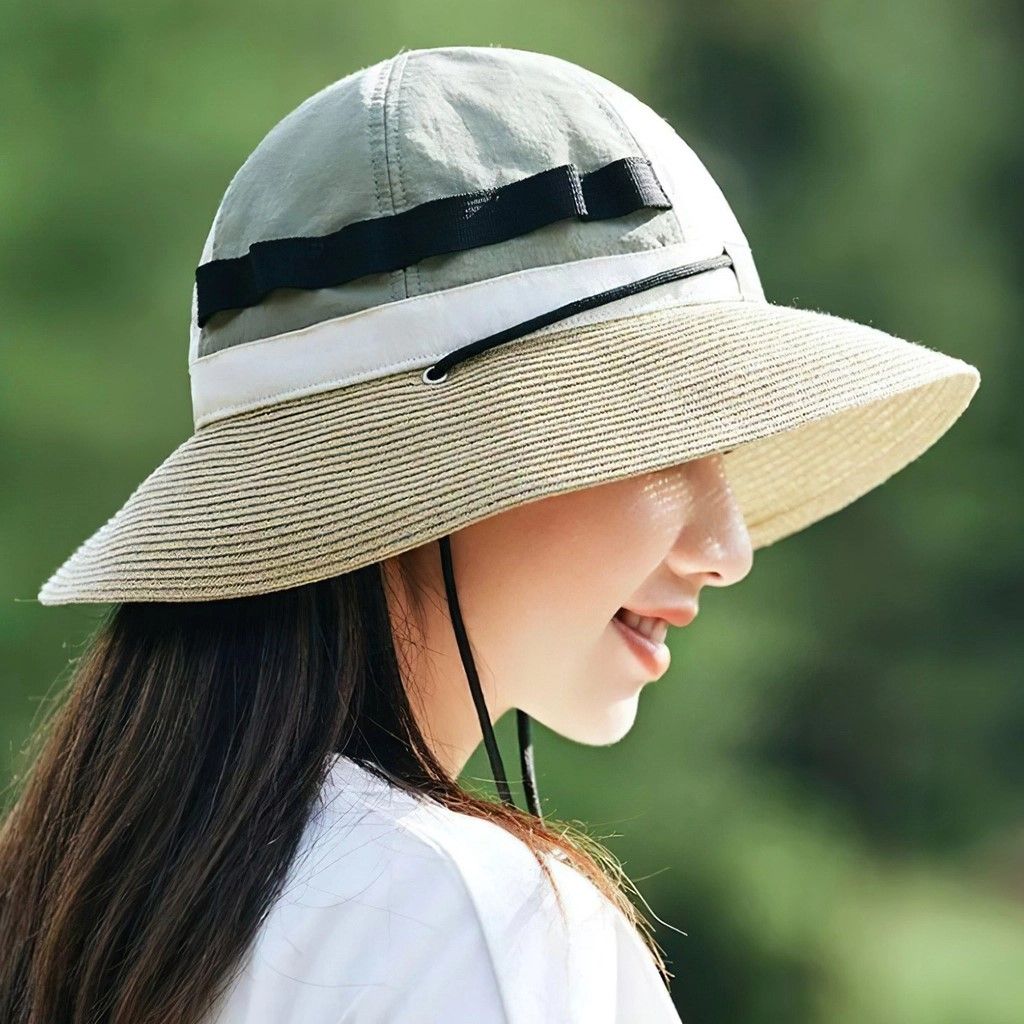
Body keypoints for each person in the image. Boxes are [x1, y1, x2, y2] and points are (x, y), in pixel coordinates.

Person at [1, 44, 979, 1024]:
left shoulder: (70, 907)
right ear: (453, 467)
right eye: (671, 441)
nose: (728, 548)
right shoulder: (466, 917)